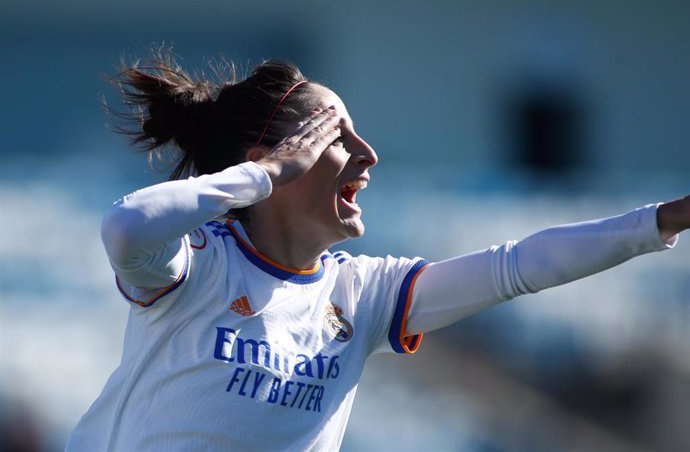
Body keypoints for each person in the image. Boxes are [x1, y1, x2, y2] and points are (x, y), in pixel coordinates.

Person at [66, 51, 689, 451]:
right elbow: (126, 226)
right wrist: (264, 174)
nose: (368, 154)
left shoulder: (361, 294)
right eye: (337, 137)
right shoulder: (199, 261)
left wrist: (664, 219)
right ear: (277, 162)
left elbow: (518, 267)